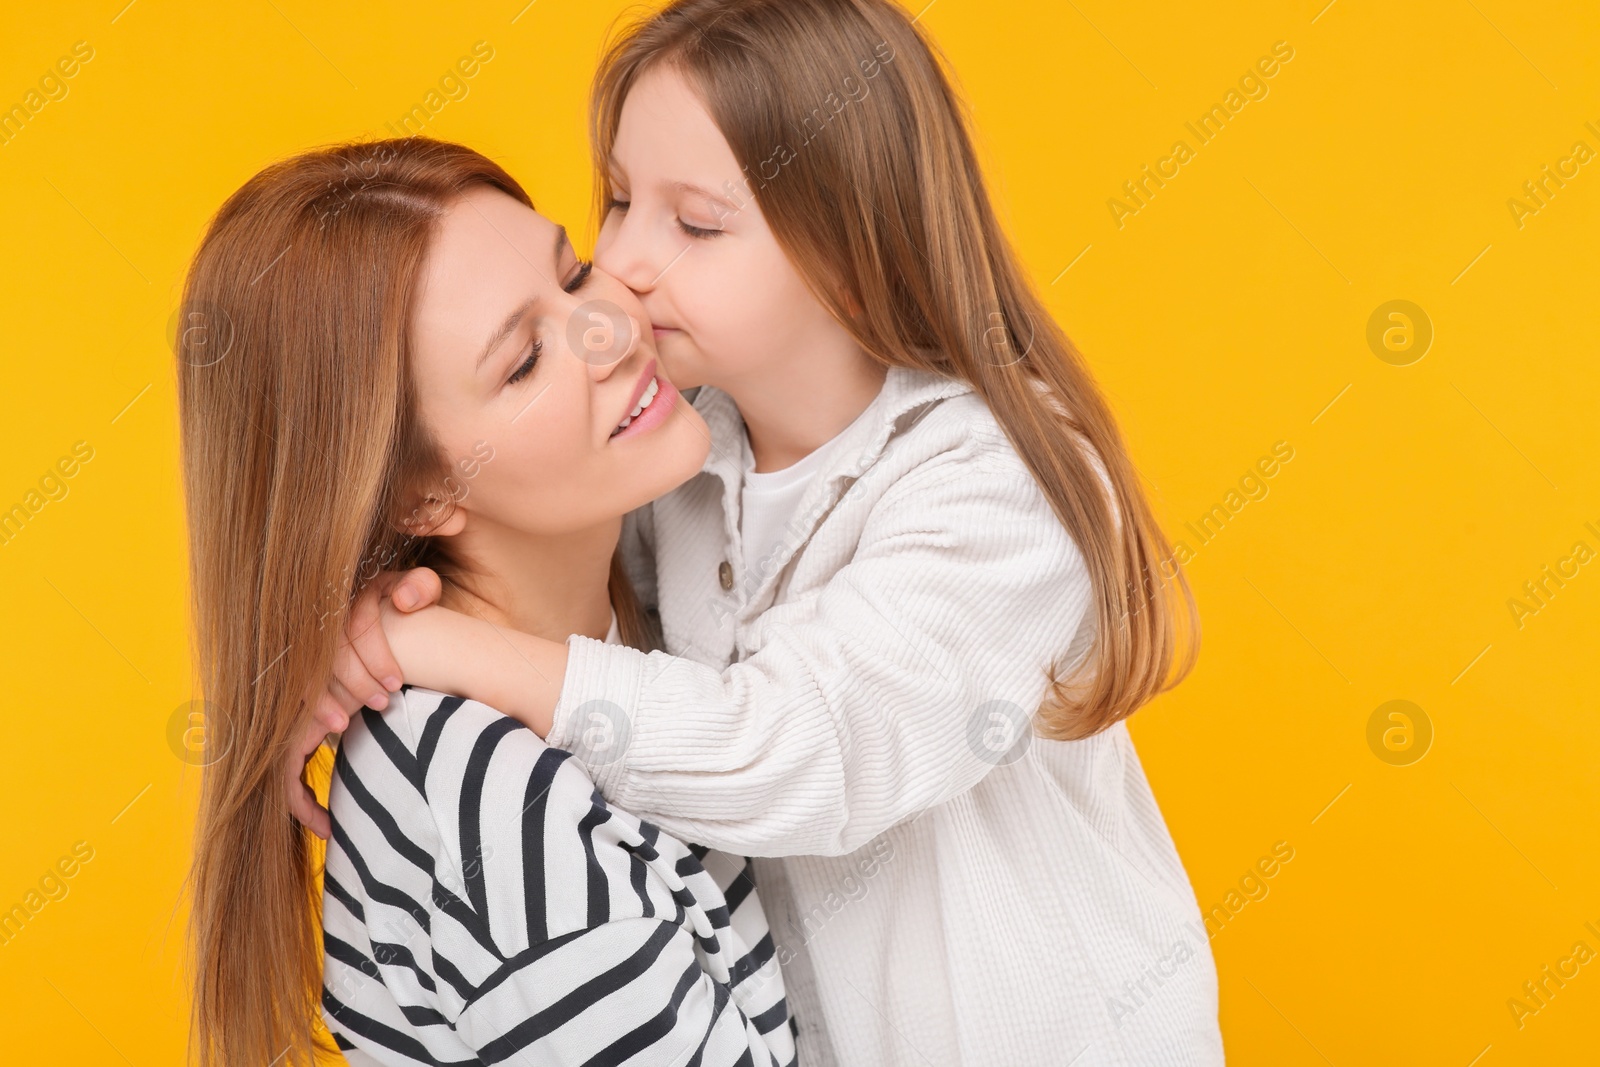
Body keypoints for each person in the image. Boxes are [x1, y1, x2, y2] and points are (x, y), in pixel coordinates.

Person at [303, 0, 1224, 1061]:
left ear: (849, 248)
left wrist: (435, 648)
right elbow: (542, 568)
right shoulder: (682, 459)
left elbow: (803, 749)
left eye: (693, 224)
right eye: (615, 200)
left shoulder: (991, 480)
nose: (623, 269)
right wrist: (338, 655)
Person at [178, 136, 796, 1066]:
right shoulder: (500, 809)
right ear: (423, 496)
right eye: (521, 363)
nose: (614, 331)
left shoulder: (637, 587)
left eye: (577, 274)